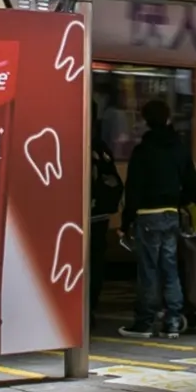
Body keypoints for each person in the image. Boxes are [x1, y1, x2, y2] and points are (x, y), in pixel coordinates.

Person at [119, 100, 196, 339]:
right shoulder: (179, 148)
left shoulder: (142, 151)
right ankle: (173, 321)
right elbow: (193, 187)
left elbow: (133, 190)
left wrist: (125, 223)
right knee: (170, 268)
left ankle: (145, 321)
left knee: (149, 270)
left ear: (146, 121)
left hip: (147, 216)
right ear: (167, 118)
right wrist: (178, 201)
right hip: (171, 214)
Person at [89, 114, 125, 320]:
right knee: (95, 263)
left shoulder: (72, 144)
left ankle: (83, 308)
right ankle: (90, 307)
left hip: (78, 218)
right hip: (100, 216)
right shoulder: (102, 149)